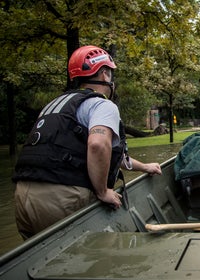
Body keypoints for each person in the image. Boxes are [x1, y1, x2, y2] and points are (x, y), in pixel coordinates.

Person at [12, 45, 162, 240]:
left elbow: (110, 157)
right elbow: (98, 146)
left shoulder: (55, 105)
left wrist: (145, 167)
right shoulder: (102, 104)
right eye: (110, 73)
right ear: (104, 74)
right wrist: (102, 191)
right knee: (85, 263)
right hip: (61, 196)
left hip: (23, 195)